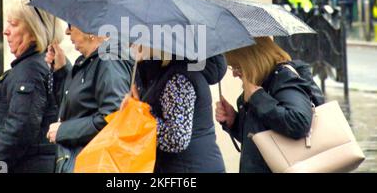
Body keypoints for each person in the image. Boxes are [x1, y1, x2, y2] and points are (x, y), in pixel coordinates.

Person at [0, 0, 64, 173]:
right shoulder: (36, 65)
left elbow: (19, 130)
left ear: (33, 31)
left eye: (13, 24)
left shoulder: (30, 70)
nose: (5, 32)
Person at [215, 37, 317, 173]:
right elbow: (261, 139)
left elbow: (299, 122)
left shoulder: (283, 79)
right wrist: (233, 121)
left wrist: (258, 98)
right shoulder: (255, 88)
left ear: (252, 61)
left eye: (237, 67)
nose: (234, 74)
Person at [121, 46, 226, 173]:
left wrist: (138, 115)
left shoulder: (178, 80)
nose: (133, 45)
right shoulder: (161, 74)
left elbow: (177, 138)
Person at [44, 24, 132, 173]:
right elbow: (75, 108)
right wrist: (61, 71)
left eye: (71, 25)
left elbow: (113, 118)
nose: (67, 31)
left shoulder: (110, 62)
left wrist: (64, 131)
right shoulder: (88, 62)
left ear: (91, 29)